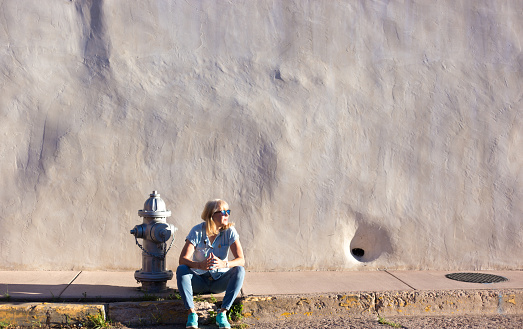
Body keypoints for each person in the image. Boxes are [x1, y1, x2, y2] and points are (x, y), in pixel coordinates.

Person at [176, 199, 245, 329]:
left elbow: (241, 260)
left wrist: (224, 264)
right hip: (199, 281)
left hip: (219, 281)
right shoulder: (197, 231)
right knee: (182, 269)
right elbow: (182, 259)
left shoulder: (230, 231)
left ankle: (223, 313)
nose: (227, 215)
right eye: (223, 212)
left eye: (228, 211)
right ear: (211, 215)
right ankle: (191, 314)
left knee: (240, 270)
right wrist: (199, 265)